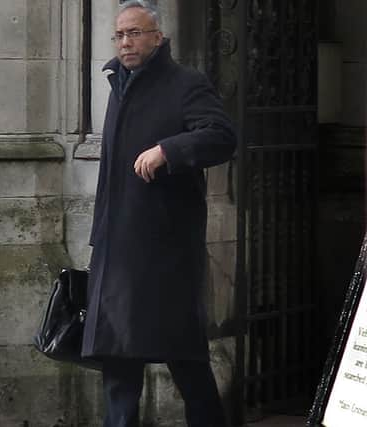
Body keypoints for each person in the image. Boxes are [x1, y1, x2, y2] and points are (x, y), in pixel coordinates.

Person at [81, 1, 236, 426]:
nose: (125, 42)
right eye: (119, 35)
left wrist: (169, 150)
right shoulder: (118, 84)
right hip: (115, 248)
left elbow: (222, 136)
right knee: (117, 362)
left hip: (164, 249)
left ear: (158, 37)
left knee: (186, 359)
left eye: (135, 33)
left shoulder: (186, 84)